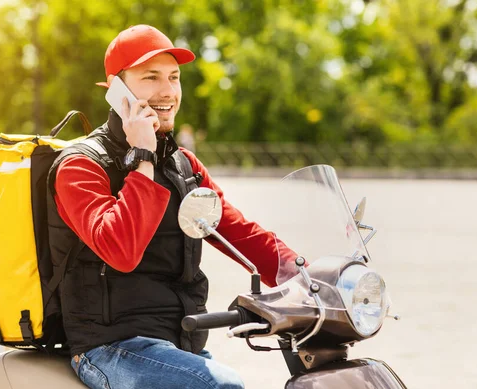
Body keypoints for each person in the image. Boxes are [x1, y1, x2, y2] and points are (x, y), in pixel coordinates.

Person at [47, 24, 300, 389]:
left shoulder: (185, 165)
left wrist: (304, 273)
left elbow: (237, 232)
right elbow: (120, 249)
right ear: (115, 90)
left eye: (174, 77)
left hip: (178, 344)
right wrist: (143, 159)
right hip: (108, 347)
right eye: (151, 78)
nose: (167, 91)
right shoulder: (80, 166)